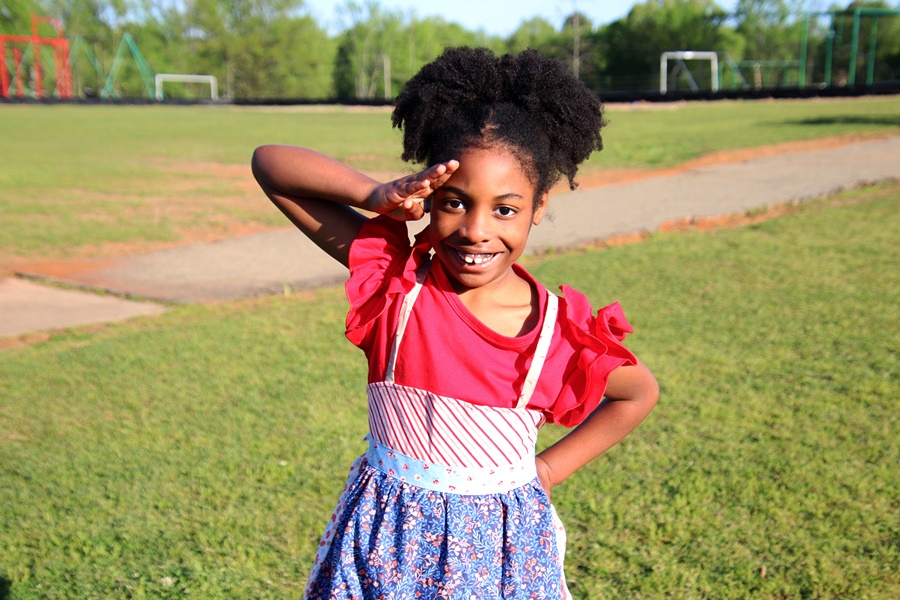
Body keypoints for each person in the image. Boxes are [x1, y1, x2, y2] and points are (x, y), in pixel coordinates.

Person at [252, 46, 659, 600]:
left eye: (506, 209)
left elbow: (637, 393)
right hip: (380, 551)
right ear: (428, 195)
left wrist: (545, 473)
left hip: (500, 564)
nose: (476, 230)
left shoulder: (555, 335)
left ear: (539, 206)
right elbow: (271, 166)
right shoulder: (399, 288)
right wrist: (372, 195)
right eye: (455, 202)